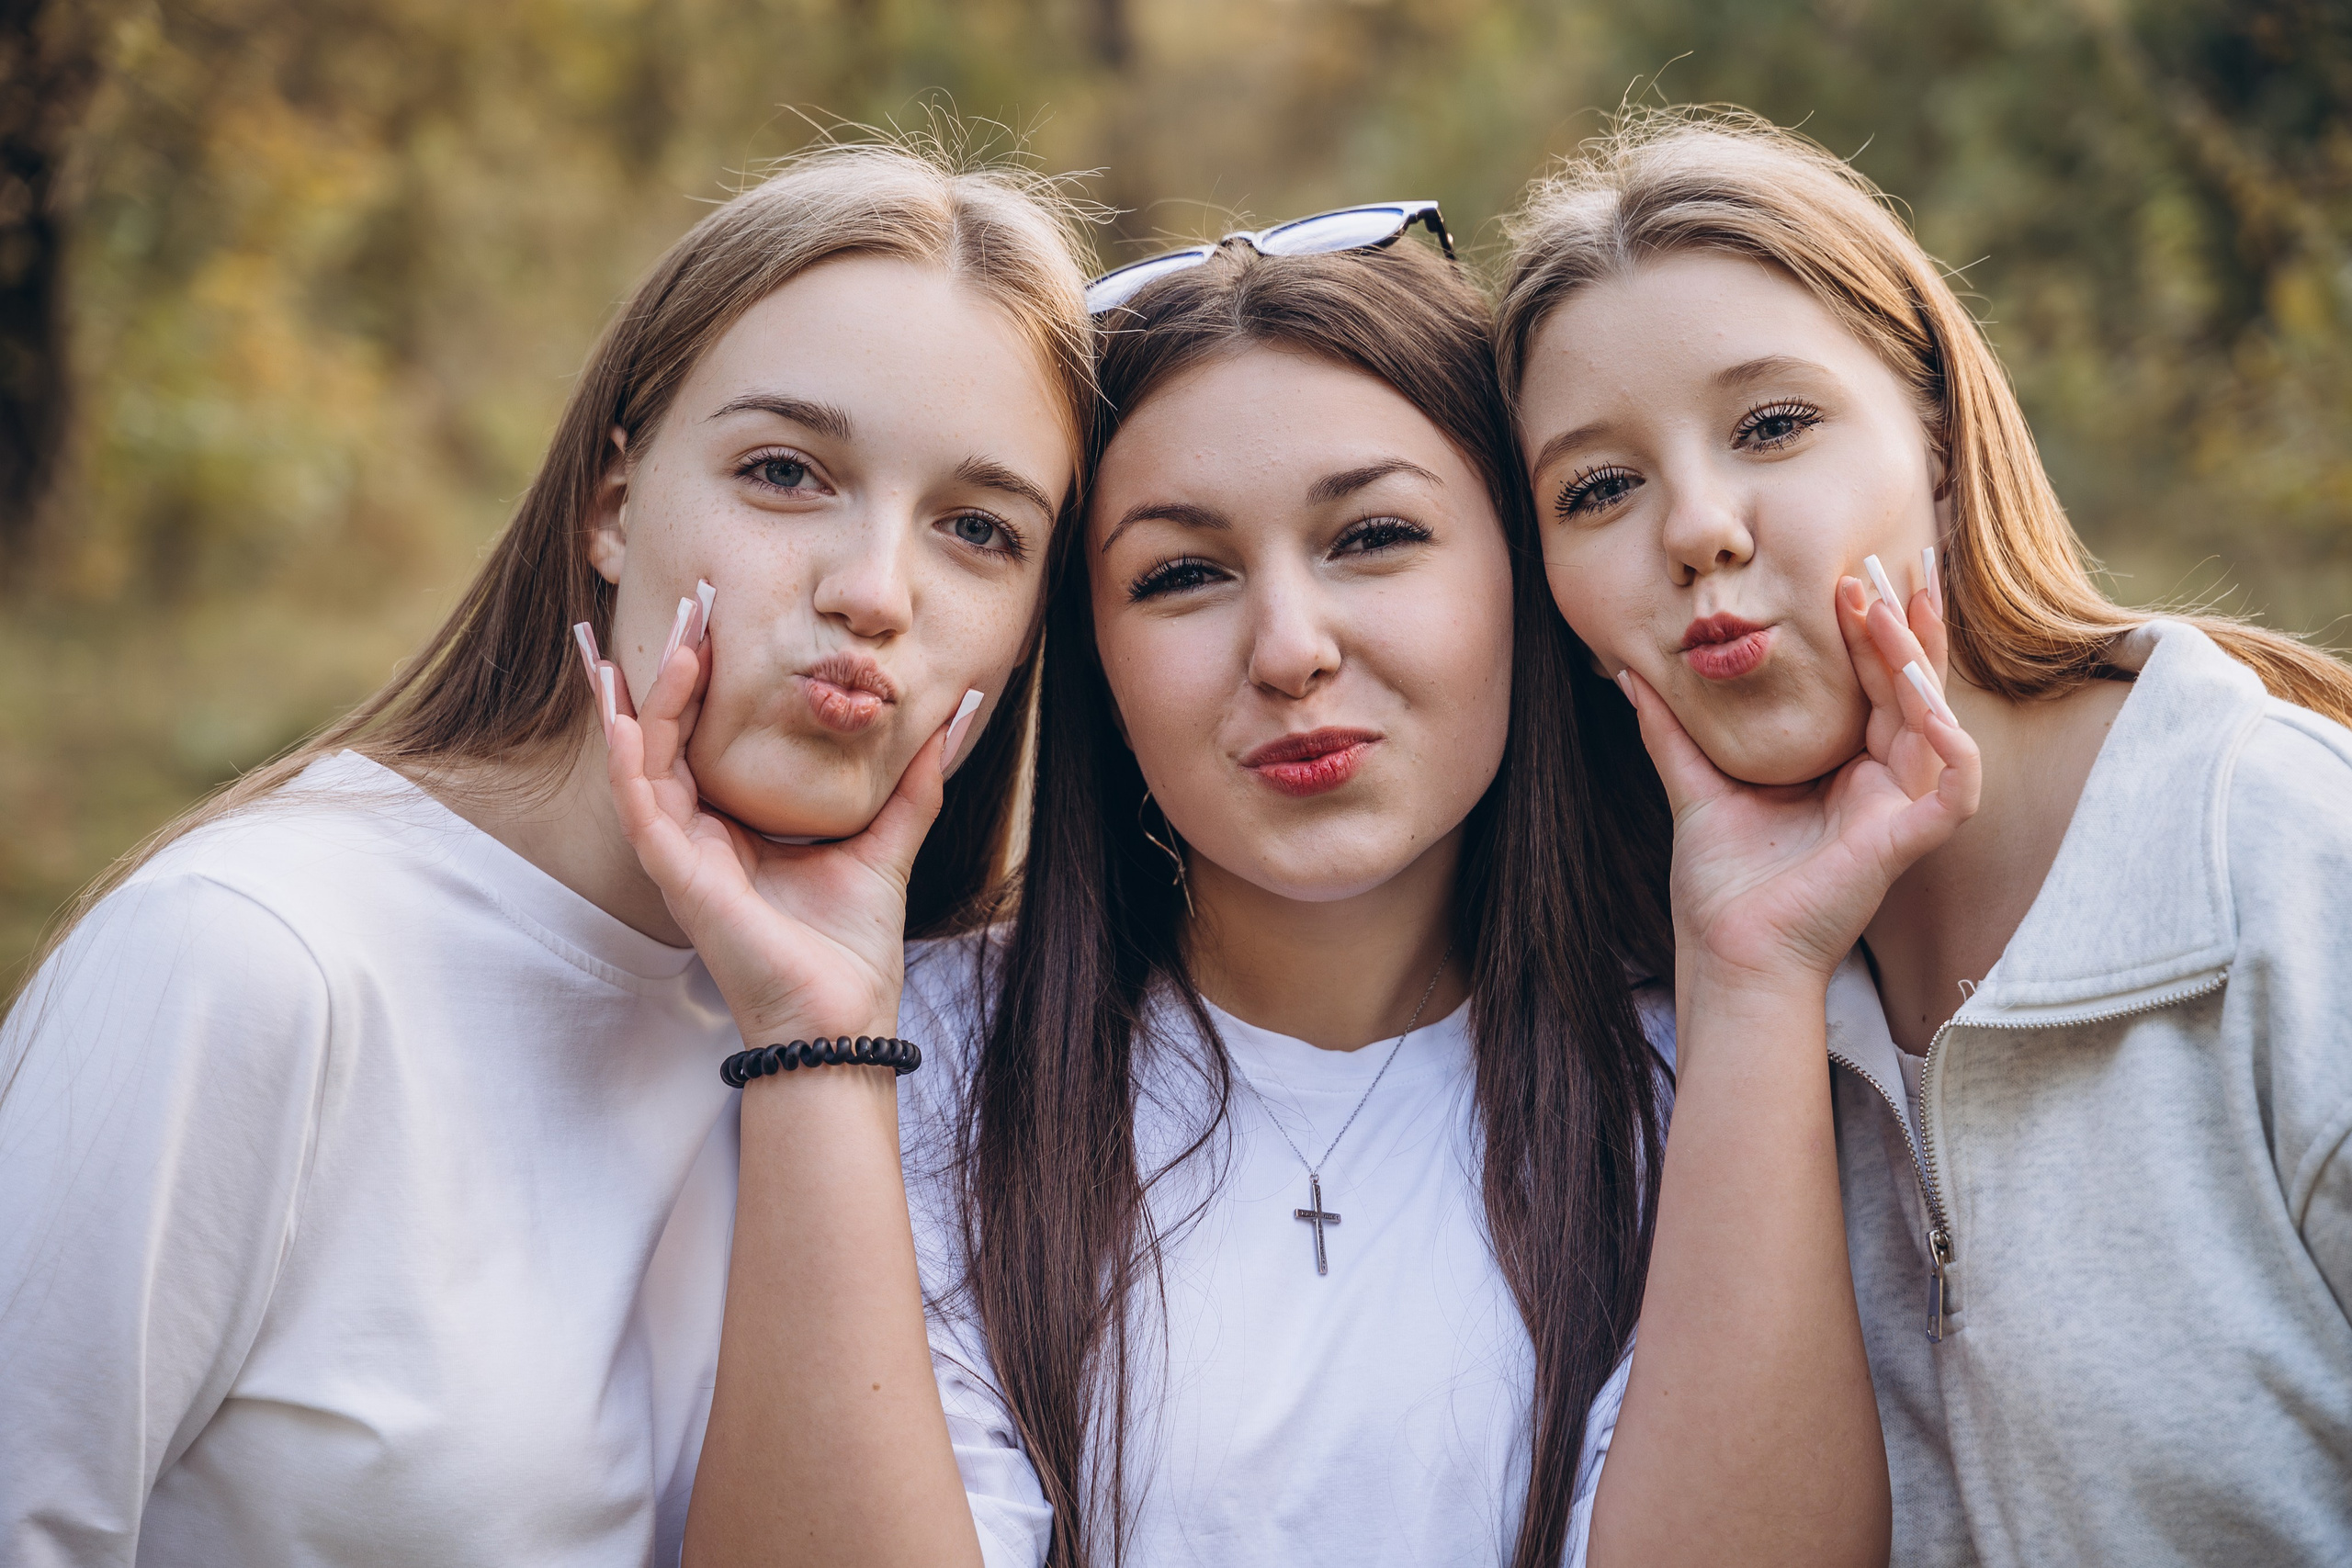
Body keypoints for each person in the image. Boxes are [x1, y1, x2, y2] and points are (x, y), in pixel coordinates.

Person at [611, 210, 1958, 1568]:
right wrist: (816, 1033)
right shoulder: (909, 1067)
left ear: (1526, 578)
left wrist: (1754, 976)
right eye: (1182, 574)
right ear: (1092, 657)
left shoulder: (1719, 1066)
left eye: (1373, 537)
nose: (1290, 650)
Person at [0, 140, 1093, 1567]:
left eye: (977, 530)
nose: (875, 590)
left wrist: (822, 1030)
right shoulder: (253, 958)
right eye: (784, 472)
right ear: (613, 506)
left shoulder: (957, 1046)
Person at [1498, 107, 2352, 1567]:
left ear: (1943, 446)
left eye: (1773, 425)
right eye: (1598, 488)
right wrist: (1749, 979)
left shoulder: (2282, 855)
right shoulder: (1643, 1008)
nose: (1698, 526)